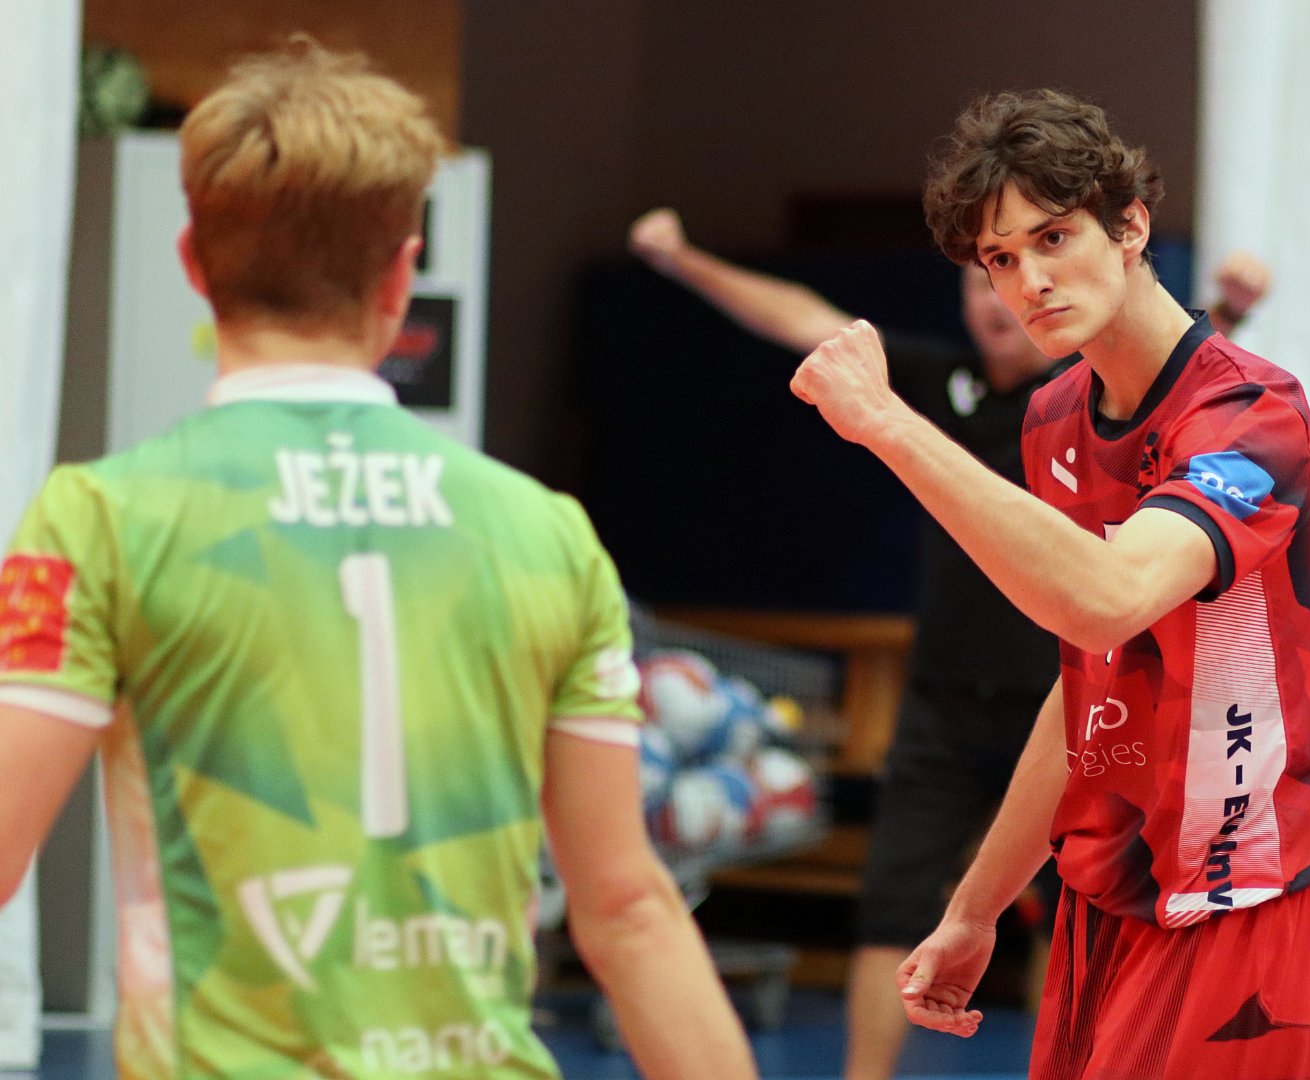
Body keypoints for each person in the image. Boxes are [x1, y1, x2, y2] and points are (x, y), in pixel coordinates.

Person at [0, 39, 757, 1080]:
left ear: (192, 262)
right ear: (403, 274)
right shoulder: (547, 531)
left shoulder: (98, 517)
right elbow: (629, 908)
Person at [628, 208, 1272, 1080]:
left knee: (1080, 905)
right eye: (988, 270)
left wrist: (1228, 312)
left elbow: (1182, 386)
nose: (1006, 293)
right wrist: (684, 259)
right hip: (942, 703)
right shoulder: (939, 383)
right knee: (892, 903)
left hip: (1066, 701)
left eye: (1039, 254)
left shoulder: (1099, 398)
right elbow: (806, 322)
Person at [789, 88, 1310, 1080]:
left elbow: (1109, 596)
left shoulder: (1254, 415)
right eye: (1000, 259)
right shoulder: (1053, 418)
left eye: (1052, 238)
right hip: (1104, 896)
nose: (1029, 280)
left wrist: (886, 423)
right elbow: (1092, 682)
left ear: (1130, 227)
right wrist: (976, 908)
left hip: (1236, 895)